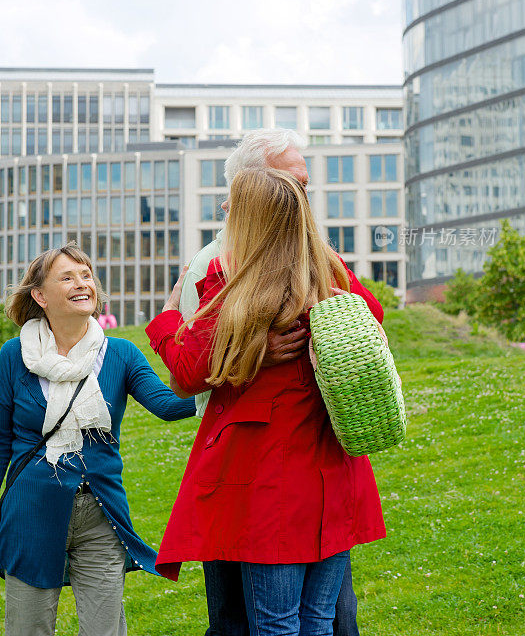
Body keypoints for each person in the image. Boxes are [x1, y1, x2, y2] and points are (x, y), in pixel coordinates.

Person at [146, 168, 386, 636]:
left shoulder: (237, 287)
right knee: (318, 620)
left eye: (232, 204)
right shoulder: (324, 272)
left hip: (266, 483)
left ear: (250, 219)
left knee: (275, 624)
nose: (224, 212)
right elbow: (371, 317)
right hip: (333, 475)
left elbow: (188, 371)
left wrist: (167, 319)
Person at [0, 244, 196, 636]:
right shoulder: (12, 355)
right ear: (40, 295)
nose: (82, 284)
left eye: (86, 275)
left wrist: (229, 378)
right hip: (30, 511)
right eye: (67, 277)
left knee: (104, 629)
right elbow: (2, 442)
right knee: (28, 626)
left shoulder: (120, 353)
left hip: (100, 513)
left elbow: (169, 405)